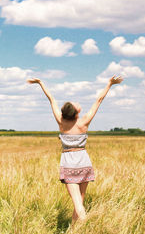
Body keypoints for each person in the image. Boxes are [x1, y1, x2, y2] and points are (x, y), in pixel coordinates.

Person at [27, 75, 123, 223]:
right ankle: (75, 232)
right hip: (84, 162)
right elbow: (99, 100)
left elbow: (51, 98)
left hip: (69, 163)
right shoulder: (84, 122)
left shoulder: (60, 121)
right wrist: (109, 84)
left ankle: (87, 230)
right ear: (76, 112)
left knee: (78, 204)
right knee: (80, 202)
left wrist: (40, 83)